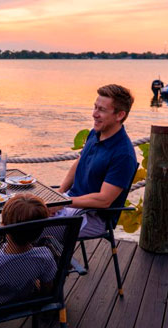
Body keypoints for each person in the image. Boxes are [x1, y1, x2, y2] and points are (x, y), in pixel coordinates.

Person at [50, 84, 137, 237]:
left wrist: (63, 202)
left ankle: (36, 257)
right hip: (70, 203)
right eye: (95, 107)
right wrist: (59, 194)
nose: (94, 114)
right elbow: (79, 163)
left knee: (26, 229)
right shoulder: (94, 134)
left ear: (120, 115)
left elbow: (104, 200)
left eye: (101, 110)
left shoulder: (123, 154)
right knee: (19, 211)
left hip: (93, 217)